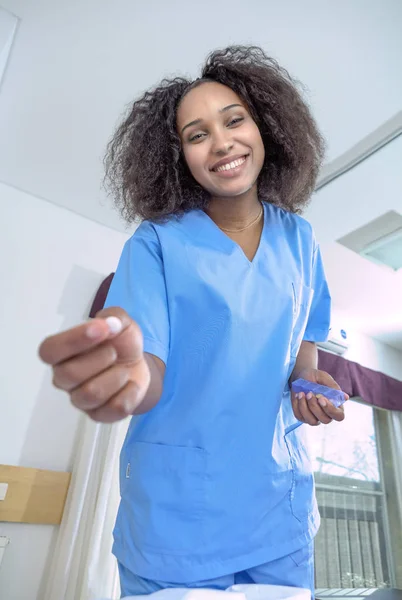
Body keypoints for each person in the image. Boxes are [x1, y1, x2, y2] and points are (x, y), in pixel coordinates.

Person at [39, 46, 348, 599]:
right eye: (196, 134)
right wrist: (128, 377)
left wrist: (309, 381)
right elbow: (147, 362)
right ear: (177, 155)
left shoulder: (301, 240)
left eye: (234, 120)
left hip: (278, 509)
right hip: (177, 520)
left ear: (266, 127)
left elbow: (304, 340)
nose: (223, 142)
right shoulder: (157, 243)